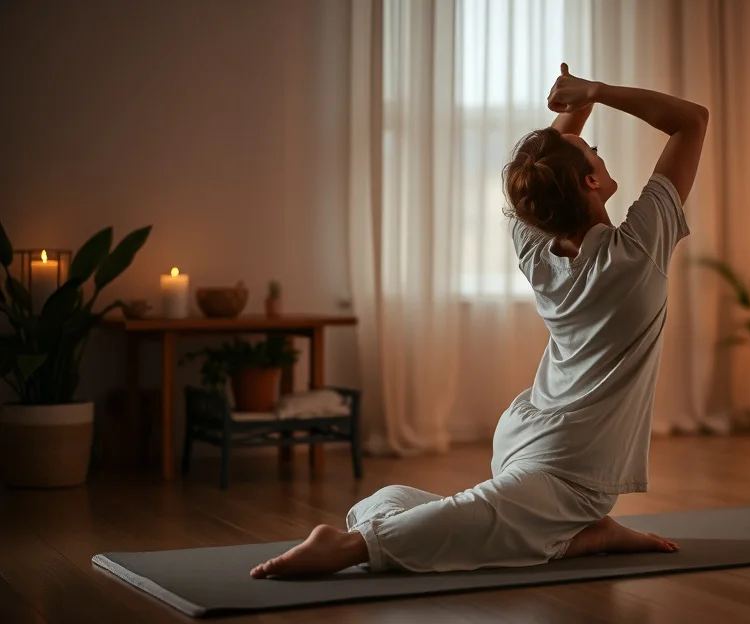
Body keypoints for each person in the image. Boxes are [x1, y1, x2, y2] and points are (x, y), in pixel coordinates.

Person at [250, 63, 708, 578]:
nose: (597, 150)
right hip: (576, 467)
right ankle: (351, 548)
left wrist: (577, 109)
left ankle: (572, 536)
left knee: (392, 499)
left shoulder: (536, 249)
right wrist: (596, 92)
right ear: (592, 181)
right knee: (469, 517)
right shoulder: (638, 251)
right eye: (594, 151)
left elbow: (538, 174)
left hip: (524, 441)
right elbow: (691, 120)